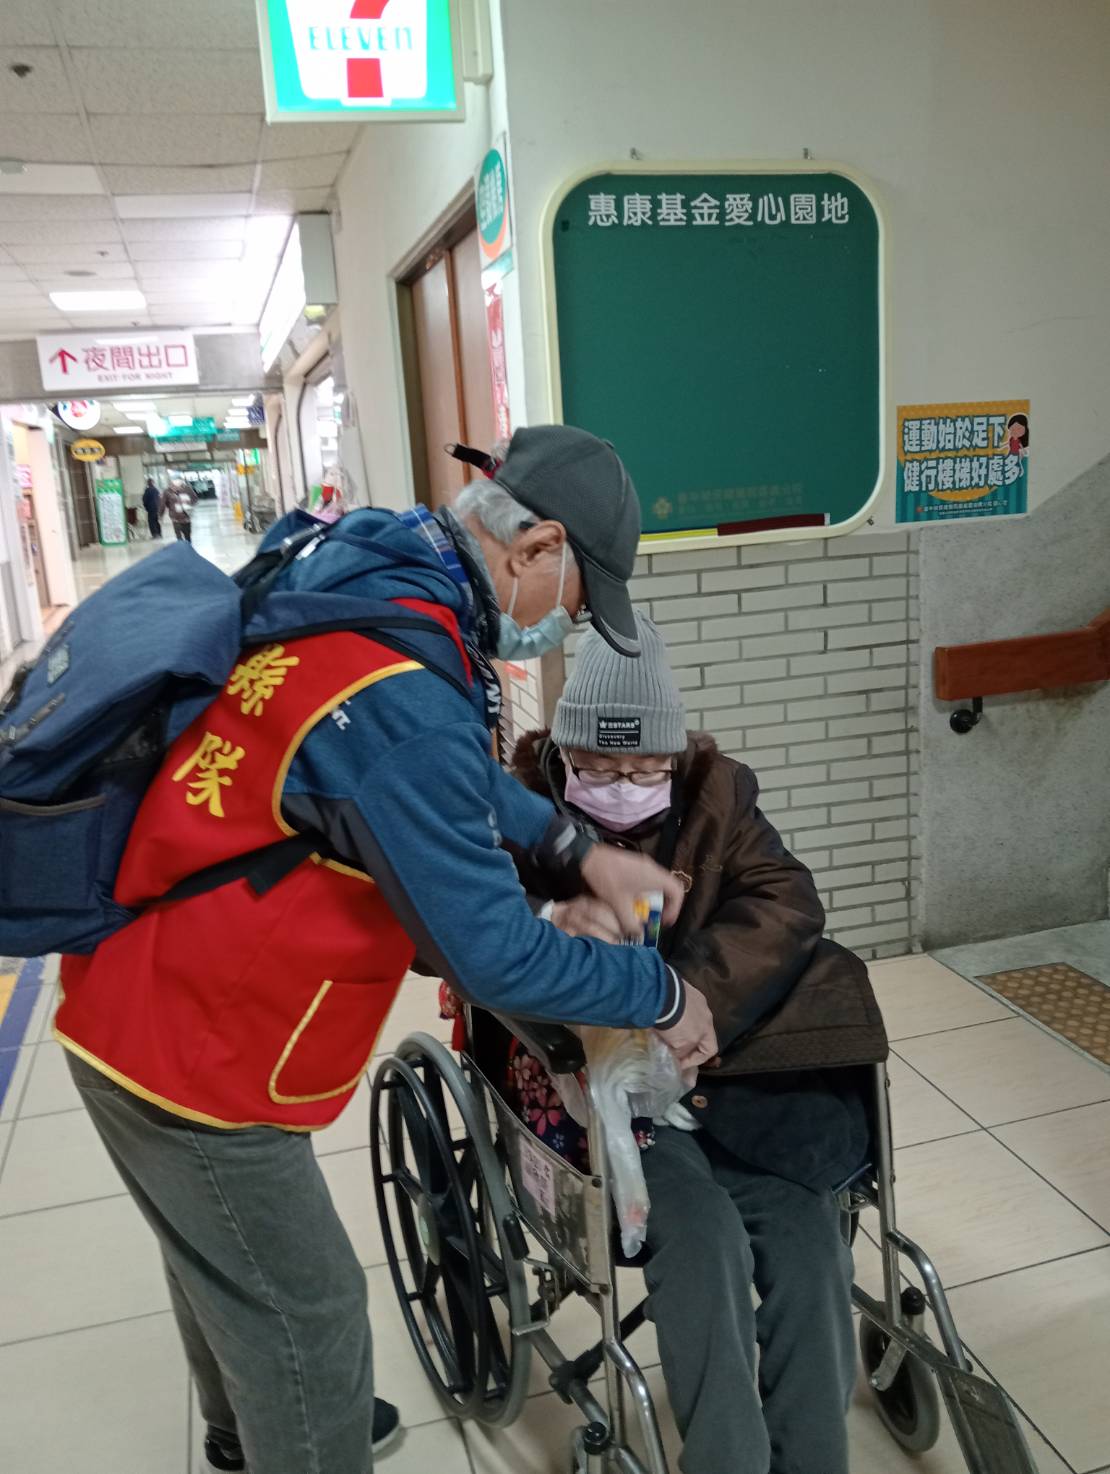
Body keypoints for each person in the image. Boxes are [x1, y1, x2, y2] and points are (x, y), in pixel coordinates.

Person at [56, 426, 718, 1474]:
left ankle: (239, 1431)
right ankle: (292, 1435)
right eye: (581, 600)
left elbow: (435, 766)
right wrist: (661, 991)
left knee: (219, 1257)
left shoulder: (373, 566)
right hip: (195, 1046)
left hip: (140, 983)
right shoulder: (404, 680)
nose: (569, 625)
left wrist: (574, 849)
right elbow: (493, 956)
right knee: (308, 1308)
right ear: (538, 545)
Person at [506, 612, 886, 1474]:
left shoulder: (719, 795)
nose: (625, 785)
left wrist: (688, 997)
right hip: (597, 1099)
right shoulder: (521, 805)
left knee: (807, 1239)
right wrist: (548, 923)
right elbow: (446, 929)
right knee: (704, 1242)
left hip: (723, 1075)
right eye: (601, 767)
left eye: (647, 768)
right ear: (563, 752)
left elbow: (785, 903)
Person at [161, 476, 198, 541]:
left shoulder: (187, 489)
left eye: (178, 486)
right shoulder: (167, 491)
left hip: (186, 516)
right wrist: (160, 514)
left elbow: (195, 499)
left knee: (187, 536)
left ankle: (187, 545)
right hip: (175, 518)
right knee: (179, 537)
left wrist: (188, 503)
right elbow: (163, 503)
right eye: (173, 485)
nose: (175, 488)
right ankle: (181, 545)